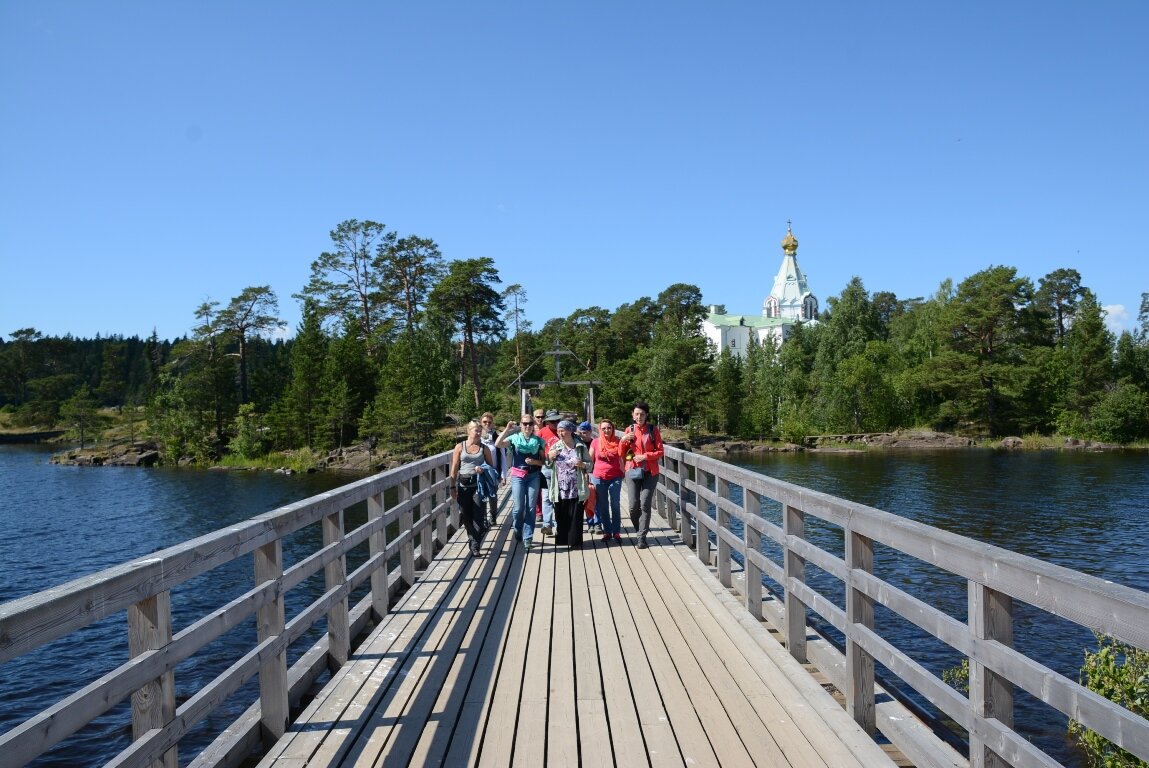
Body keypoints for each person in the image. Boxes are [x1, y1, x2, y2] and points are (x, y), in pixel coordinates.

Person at [496, 414, 546, 552]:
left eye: (530, 423)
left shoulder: (539, 441)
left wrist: (535, 462)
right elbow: (498, 444)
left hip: (533, 476)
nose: (527, 426)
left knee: (530, 507)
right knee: (518, 508)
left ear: (533, 424)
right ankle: (517, 529)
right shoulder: (514, 439)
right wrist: (507, 429)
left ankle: (528, 536)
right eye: (524, 424)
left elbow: (545, 461)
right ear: (521, 425)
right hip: (518, 475)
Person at [619, 401, 664, 549]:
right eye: (636, 414)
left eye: (642, 414)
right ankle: (640, 529)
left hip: (650, 471)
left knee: (644, 503)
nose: (639, 416)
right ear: (633, 415)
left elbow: (660, 451)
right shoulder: (629, 429)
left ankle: (641, 537)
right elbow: (621, 453)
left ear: (646, 416)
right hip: (632, 470)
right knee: (633, 506)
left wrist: (645, 456)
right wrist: (623, 440)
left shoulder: (652, 430)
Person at [450, 421, 495, 558]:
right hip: (463, 486)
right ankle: (473, 538)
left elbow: (491, 468)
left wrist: (483, 469)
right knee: (465, 514)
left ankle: (475, 544)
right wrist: (452, 486)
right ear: (468, 431)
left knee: (479, 514)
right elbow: (454, 468)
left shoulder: (484, 448)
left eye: (480, 431)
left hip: (479, 485)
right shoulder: (460, 447)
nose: (478, 433)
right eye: (476, 430)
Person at [547, 420, 590, 548]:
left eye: (563, 430)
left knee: (576, 514)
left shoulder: (580, 446)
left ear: (570, 431)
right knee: (561, 513)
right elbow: (548, 464)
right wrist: (550, 457)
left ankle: (575, 541)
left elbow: (590, 464)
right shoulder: (555, 446)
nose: (560, 433)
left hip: (576, 485)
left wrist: (583, 464)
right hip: (560, 486)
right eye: (559, 431)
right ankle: (563, 540)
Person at [590, 418, 624, 543]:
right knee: (603, 505)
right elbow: (590, 459)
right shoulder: (595, 442)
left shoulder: (618, 441)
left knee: (615, 504)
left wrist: (624, 471)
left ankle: (616, 532)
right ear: (600, 429)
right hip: (599, 477)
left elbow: (623, 457)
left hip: (615, 476)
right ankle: (607, 532)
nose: (606, 430)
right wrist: (586, 473)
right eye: (603, 428)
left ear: (613, 429)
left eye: (609, 427)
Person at [536, 410, 562, 536]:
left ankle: (559, 525)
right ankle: (547, 524)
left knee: (558, 497)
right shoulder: (542, 432)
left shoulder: (564, 429)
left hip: (562, 469)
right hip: (547, 467)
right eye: (553, 421)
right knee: (546, 497)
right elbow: (537, 449)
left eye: (558, 420)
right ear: (547, 421)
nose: (556, 423)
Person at [478, 412, 505, 526]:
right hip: (479, 472)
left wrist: (503, 475)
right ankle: (483, 518)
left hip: (493, 472)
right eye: (485, 422)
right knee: (481, 495)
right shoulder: (477, 437)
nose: (487, 424)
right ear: (481, 423)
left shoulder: (497, 437)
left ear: (493, 423)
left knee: (492, 496)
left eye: (489, 422)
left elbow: (503, 457)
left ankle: (493, 517)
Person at [577, 421, 598, 532]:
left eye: (584, 433)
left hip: (595, 473)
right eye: (580, 433)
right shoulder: (578, 445)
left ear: (590, 432)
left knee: (597, 499)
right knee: (586, 498)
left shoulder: (595, 443)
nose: (582, 435)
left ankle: (597, 523)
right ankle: (590, 522)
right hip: (582, 474)